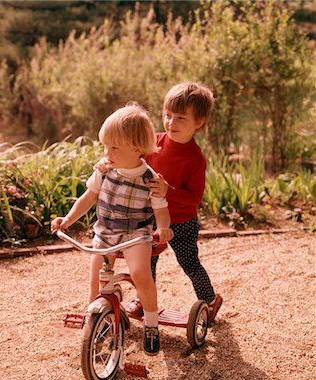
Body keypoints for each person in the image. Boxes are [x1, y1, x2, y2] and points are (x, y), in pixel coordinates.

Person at [51, 103, 173, 356]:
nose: (108, 152)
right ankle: (94, 316)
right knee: (95, 272)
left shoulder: (150, 179)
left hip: (135, 234)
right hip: (105, 231)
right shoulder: (105, 170)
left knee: (140, 273)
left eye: (114, 147)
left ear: (137, 148)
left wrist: (163, 228)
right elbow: (87, 198)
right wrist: (68, 220)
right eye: (106, 145)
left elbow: (161, 210)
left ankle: (151, 323)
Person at [98, 82, 223, 322]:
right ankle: (145, 302)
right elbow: (129, 159)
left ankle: (209, 300)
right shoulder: (153, 143)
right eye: (167, 115)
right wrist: (107, 162)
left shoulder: (195, 159)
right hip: (149, 217)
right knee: (146, 264)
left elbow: (194, 198)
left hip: (181, 222)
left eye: (180, 118)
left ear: (199, 122)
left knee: (189, 263)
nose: (171, 123)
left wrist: (168, 190)